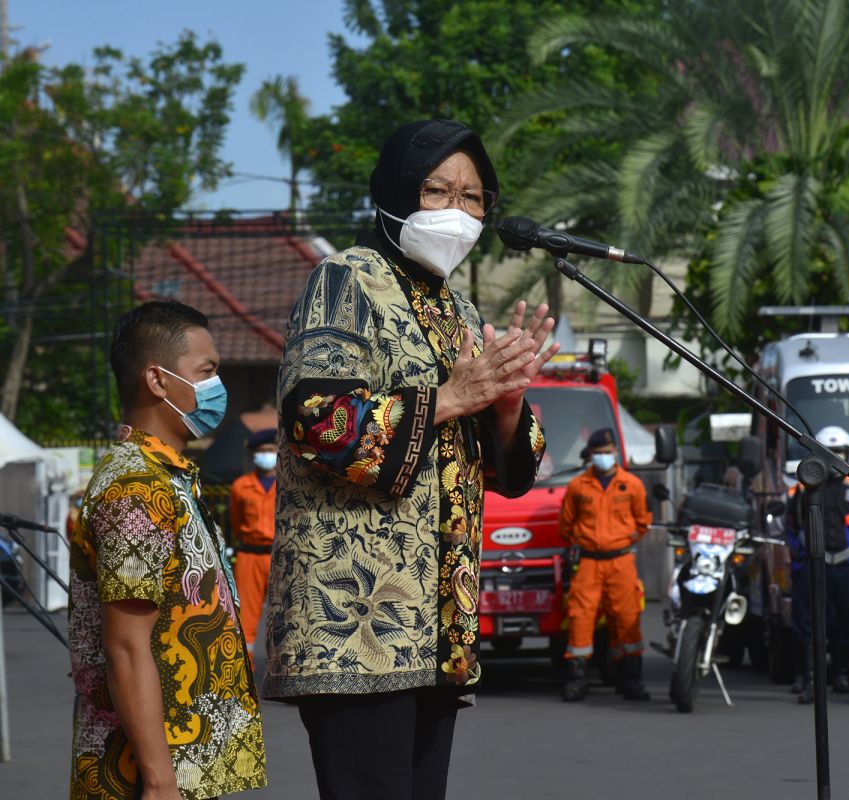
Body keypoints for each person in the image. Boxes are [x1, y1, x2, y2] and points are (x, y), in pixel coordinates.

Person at [264, 119, 555, 800]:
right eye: (437, 190)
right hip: (352, 625)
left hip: (434, 629)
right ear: (397, 191)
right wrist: (452, 396)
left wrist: (506, 404)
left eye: (474, 197)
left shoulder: (454, 304)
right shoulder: (345, 281)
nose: (458, 211)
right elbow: (319, 421)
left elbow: (503, 469)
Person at [67, 300, 266, 800]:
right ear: (157, 381)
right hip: (149, 776)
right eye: (207, 371)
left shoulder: (168, 478)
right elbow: (127, 646)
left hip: (186, 765)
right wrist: (159, 780)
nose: (216, 387)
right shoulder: (136, 487)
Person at [559, 428, 653, 702]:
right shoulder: (578, 486)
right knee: (580, 618)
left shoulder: (632, 484)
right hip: (588, 562)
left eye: (607, 452)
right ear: (590, 455)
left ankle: (630, 680)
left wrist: (621, 541)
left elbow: (643, 521)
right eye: (598, 453)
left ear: (616, 453)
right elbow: (566, 525)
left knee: (627, 619)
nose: (603, 457)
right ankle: (577, 681)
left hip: (621, 561)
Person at [786, 425, 849, 705]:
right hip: (814, 566)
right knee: (809, 628)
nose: (834, 460)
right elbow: (795, 525)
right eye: (828, 454)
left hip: (848, 567)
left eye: (840, 454)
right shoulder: (804, 489)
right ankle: (810, 682)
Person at [230, 427, 278, 657]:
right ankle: (245, 667)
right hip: (249, 555)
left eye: (270, 449)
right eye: (261, 450)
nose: (266, 454)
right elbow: (236, 523)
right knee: (245, 616)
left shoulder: (286, 484)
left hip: (279, 556)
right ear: (253, 454)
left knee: (286, 613)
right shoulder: (240, 486)